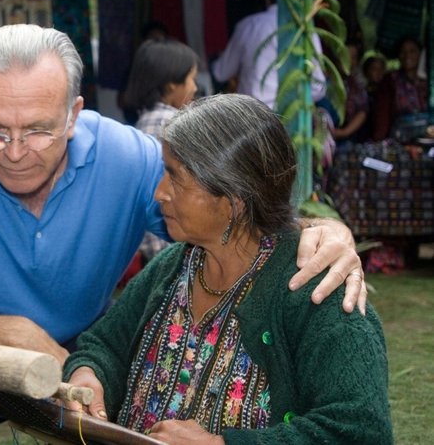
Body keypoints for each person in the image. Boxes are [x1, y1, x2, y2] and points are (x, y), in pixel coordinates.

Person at [0, 24, 366, 444]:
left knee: (139, 392)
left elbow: (225, 208)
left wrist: (326, 230)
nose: (14, 151)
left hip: (84, 340)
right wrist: (1, 332)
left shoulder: (129, 158)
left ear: (75, 114)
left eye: (38, 129)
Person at [64, 94, 392, 444]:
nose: (159, 192)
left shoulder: (317, 291)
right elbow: (105, 345)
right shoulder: (173, 268)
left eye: (175, 177)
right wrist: (89, 376)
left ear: (234, 200)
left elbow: (361, 430)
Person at [122, 38, 199, 264]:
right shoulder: (174, 125)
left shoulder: (141, 124)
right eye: (191, 79)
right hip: (170, 248)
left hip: (152, 248)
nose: (195, 87)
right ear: (171, 84)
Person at [211, 0, 326, 109]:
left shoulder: (248, 25)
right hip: (291, 119)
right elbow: (318, 87)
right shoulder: (304, 30)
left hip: (252, 115)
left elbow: (221, 72)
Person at [372, 36, 427, 141]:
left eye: (412, 51)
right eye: (403, 51)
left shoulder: (429, 82)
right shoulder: (390, 80)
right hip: (400, 141)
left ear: (421, 54)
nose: (407, 56)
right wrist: (379, 140)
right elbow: (382, 116)